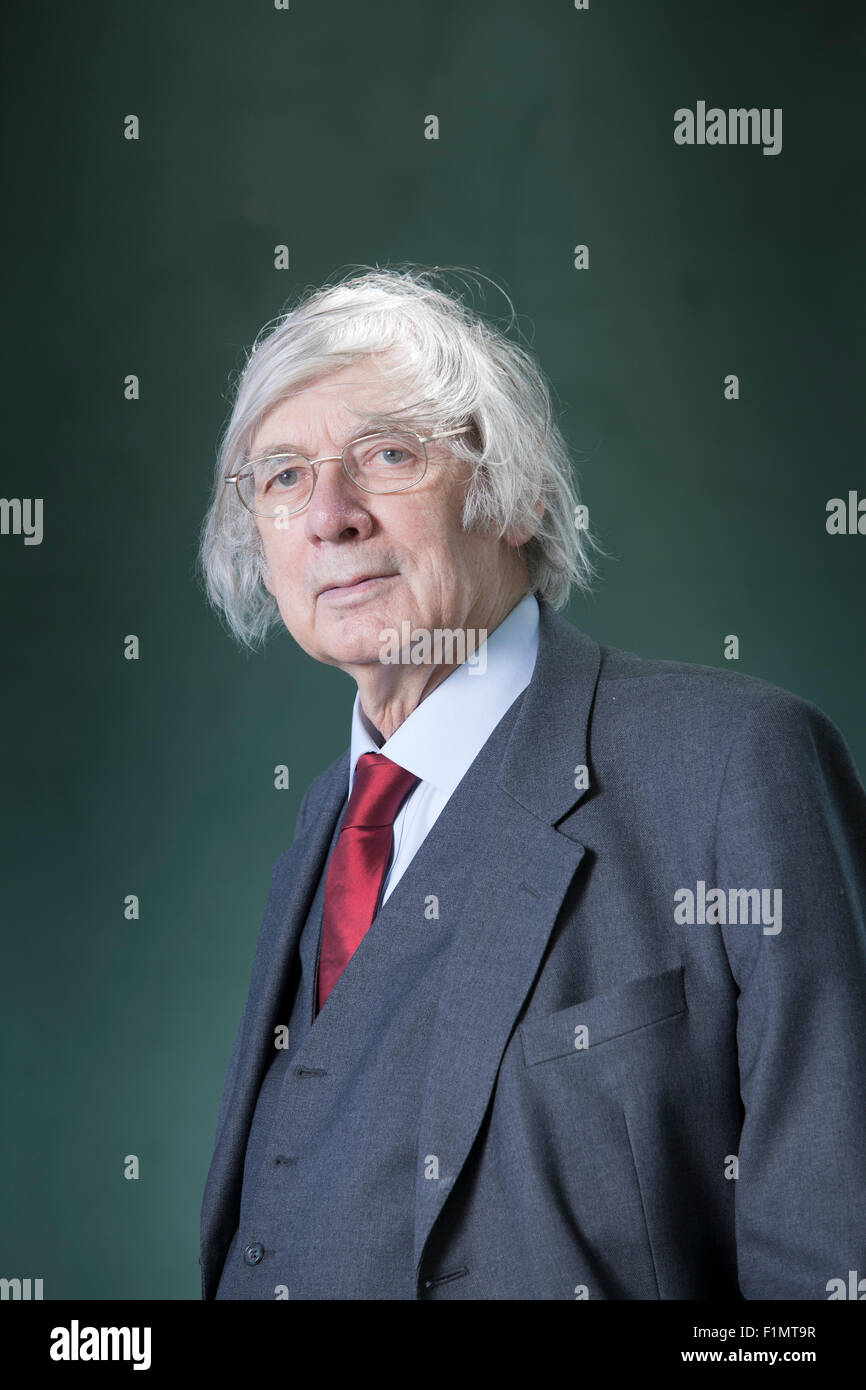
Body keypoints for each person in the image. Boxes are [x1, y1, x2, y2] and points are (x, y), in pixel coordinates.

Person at [197, 264, 866, 1300]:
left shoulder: (736, 764)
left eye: (385, 453)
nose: (329, 514)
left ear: (515, 497)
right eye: (283, 475)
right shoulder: (322, 826)